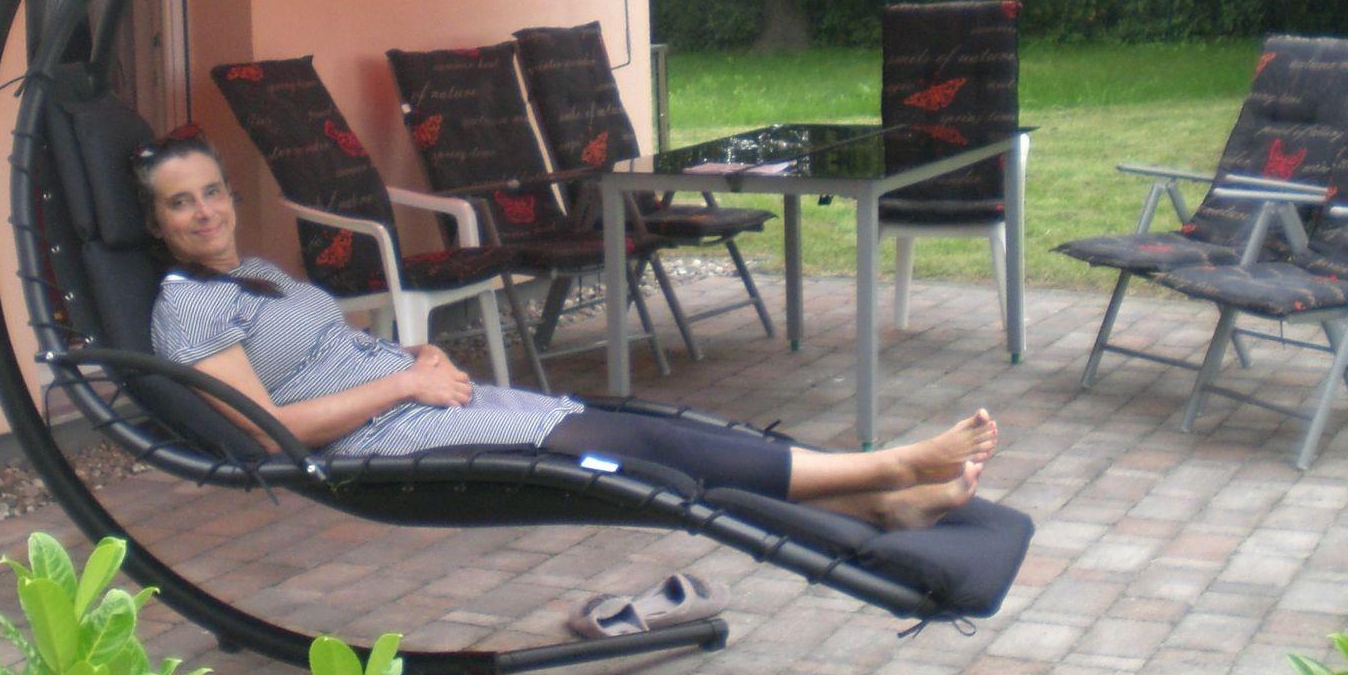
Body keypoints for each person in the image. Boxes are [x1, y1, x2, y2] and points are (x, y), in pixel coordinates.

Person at [136, 131, 994, 530]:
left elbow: (326, 354)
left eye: (212, 191)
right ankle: (885, 467)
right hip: (384, 442)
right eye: (181, 203)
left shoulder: (256, 272)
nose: (204, 211)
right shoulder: (190, 306)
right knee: (626, 449)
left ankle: (874, 504)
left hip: (418, 402)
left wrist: (411, 354)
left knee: (641, 435)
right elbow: (268, 432)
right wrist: (403, 383)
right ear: (156, 223)